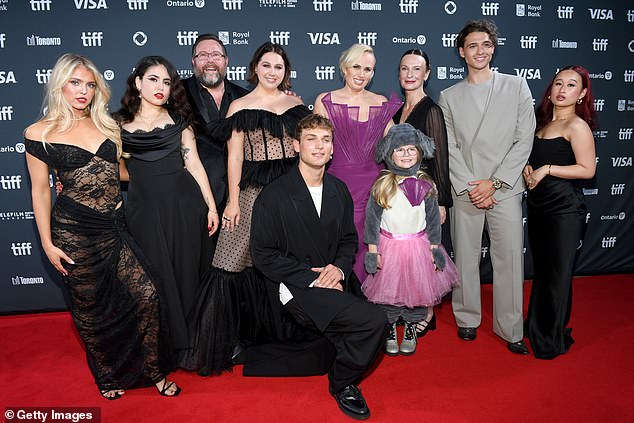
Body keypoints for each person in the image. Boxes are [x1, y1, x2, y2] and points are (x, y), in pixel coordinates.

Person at [24, 53, 180, 399]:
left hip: (113, 227)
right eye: (75, 83)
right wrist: (48, 244)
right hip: (73, 231)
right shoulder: (39, 133)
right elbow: (39, 192)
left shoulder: (108, 124)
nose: (83, 91)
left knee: (147, 294)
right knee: (91, 310)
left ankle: (154, 371)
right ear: (59, 85)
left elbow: (123, 171)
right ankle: (108, 376)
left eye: (90, 84)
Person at [181, 42, 312, 375]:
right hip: (253, 192)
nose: (272, 72)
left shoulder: (296, 104)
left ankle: (290, 333)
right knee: (230, 261)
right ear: (255, 68)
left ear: (286, 72)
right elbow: (235, 155)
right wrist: (234, 200)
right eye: (266, 65)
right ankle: (230, 340)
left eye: (278, 67)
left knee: (290, 262)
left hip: (291, 192)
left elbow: (305, 151)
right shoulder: (240, 105)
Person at [251, 114, 386, 421]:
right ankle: (343, 382)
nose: (319, 146)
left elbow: (349, 240)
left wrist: (338, 269)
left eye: (325, 140)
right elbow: (262, 254)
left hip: (334, 279)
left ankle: (340, 370)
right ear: (296, 145)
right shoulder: (274, 195)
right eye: (311, 139)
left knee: (373, 324)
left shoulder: (338, 189)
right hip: (297, 285)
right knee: (374, 321)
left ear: (333, 149)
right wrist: (312, 280)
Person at [438, 20, 535, 354]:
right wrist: (472, 185)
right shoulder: (448, 96)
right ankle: (466, 318)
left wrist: (493, 183)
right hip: (466, 190)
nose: (480, 51)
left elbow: (524, 140)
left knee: (509, 259)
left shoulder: (516, 85)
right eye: (473, 46)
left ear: (493, 48)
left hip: (503, 189)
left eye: (486, 44)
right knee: (465, 257)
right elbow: (447, 146)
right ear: (461, 52)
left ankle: (511, 328)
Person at [113, 56, 219, 355]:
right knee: (154, 276)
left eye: (167, 82)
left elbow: (195, 165)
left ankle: (190, 344)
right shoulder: (117, 124)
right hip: (143, 209)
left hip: (184, 207)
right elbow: (116, 170)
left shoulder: (179, 122)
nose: (160, 87)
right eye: (153, 79)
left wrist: (211, 207)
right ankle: (160, 344)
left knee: (186, 272)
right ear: (138, 82)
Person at [363, 124, 460, 356]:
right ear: (389, 154)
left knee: (417, 292)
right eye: (399, 150)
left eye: (410, 149)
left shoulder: (427, 185)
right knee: (388, 293)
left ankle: (411, 329)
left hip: (419, 246)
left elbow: (433, 220)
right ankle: (389, 330)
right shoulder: (382, 185)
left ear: (419, 152)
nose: (406, 154)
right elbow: (372, 220)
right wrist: (372, 250)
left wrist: (435, 248)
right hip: (389, 247)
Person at [523, 66, 596, 359]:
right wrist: (529, 169)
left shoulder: (577, 126)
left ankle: (549, 339)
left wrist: (548, 169)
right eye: (558, 83)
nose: (562, 90)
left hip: (564, 210)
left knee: (558, 275)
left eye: (571, 85)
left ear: (582, 94)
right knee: (543, 272)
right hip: (539, 207)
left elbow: (588, 170)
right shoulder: (541, 124)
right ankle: (538, 326)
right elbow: (536, 161)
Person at [313, 43, 402, 283]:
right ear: (344, 67)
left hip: (373, 187)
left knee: (371, 240)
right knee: (339, 241)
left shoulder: (380, 102)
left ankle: (368, 302)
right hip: (337, 185)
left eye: (368, 69)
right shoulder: (325, 101)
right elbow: (315, 145)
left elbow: (395, 145)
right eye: (357, 67)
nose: (362, 74)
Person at [393, 49, 453, 338]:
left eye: (416, 69)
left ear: (426, 74)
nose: (410, 74)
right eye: (405, 69)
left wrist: (440, 201)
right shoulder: (397, 110)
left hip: (424, 192)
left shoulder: (431, 110)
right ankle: (412, 308)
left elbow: (439, 157)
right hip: (401, 193)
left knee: (425, 255)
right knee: (408, 253)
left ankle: (427, 313)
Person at [183, 33, 249, 217]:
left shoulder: (245, 97)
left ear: (226, 60)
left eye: (216, 55)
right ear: (193, 61)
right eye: (202, 55)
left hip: (238, 195)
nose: (210, 60)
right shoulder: (176, 93)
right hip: (193, 193)